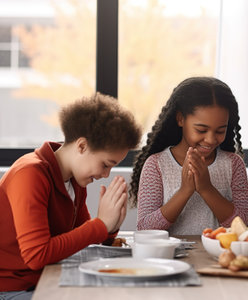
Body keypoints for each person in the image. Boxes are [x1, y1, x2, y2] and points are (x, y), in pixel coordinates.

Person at [0, 93, 142, 298]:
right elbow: (37, 255)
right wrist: (101, 225)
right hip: (13, 288)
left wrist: (110, 228)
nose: (105, 175)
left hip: (46, 279)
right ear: (82, 146)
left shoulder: (73, 180)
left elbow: (82, 240)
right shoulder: (30, 174)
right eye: (105, 164)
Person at [129, 76, 248, 235]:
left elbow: (246, 225)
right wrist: (185, 190)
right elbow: (145, 228)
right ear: (180, 119)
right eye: (201, 130)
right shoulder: (156, 165)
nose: (210, 139)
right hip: (170, 259)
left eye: (220, 131)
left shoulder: (233, 164)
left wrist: (207, 189)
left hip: (219, 258)